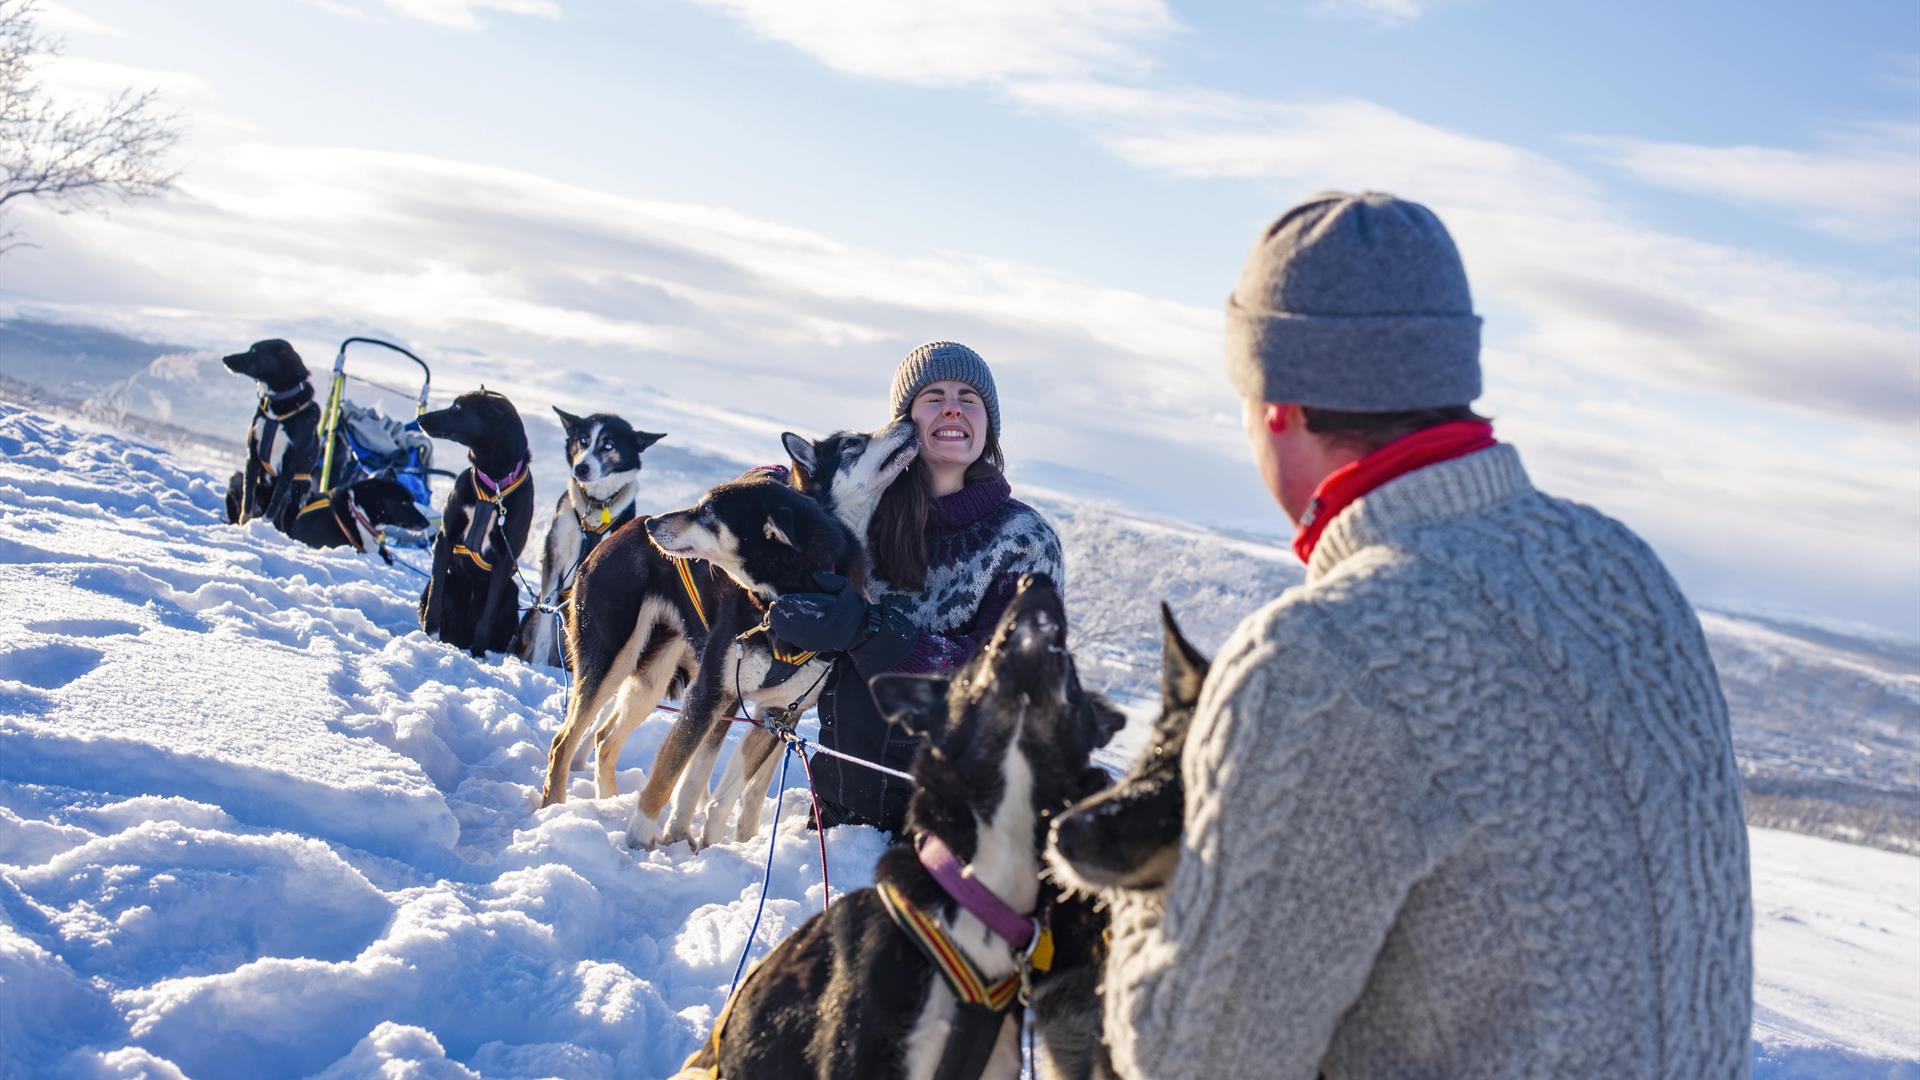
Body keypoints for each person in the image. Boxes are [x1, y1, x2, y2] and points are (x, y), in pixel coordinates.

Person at [1101, 193, 1753, 1078]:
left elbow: (1195, 1060)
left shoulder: (1321, 659)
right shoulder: (1626, 577)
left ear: (1277, 402)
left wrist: (1158, 866)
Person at [769, 341, 1064, 832]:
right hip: (836, 816)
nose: (952, 406)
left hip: (947, 826)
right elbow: (793, 485)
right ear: (904, 425)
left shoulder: (1025, 542)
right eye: (934, 396)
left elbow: (1006, 686)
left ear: (989, 426)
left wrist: (870, 633)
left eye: (969, 397)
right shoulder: (865, 512)